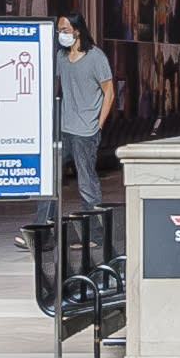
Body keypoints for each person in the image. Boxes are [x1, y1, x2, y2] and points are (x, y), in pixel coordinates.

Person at [56, 14, 114, 214]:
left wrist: (99, 124)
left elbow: (109, 93)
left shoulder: (96, 57)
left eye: (65, 30)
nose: (61, 34)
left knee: (86, 183)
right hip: (64, 129)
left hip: (86, 132)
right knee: (49, 180)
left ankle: (95, 234)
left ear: (77, 31)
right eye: (59, 30)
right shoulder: (61, 57)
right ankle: (42, 229)